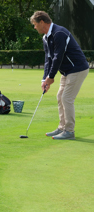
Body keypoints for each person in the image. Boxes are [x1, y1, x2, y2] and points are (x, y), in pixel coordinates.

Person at [30, 11, 89, 140]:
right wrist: (44, 79)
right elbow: (48, 59)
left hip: (77, 69)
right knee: (60, 96)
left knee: (67, 98)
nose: (34, 27)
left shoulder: (59, 33)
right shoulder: (46, 38)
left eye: (35, 24)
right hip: (67, 71)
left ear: (42, 22)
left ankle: (69, 131)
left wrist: (51, 77)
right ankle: (62, 127)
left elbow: (58, 57)